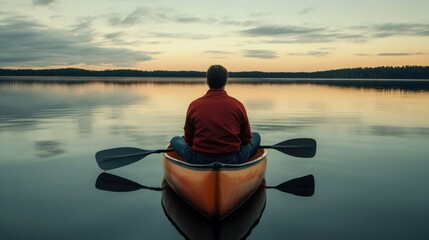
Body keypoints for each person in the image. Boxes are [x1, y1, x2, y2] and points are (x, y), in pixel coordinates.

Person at [170, 64, 260, 164]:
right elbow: (247, 139)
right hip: (232, 159)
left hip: (200, 159)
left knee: (175, 140)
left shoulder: (194, 105)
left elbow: (188, 140)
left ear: (207, 81)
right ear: (225, 81)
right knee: (256, 136)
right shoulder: (238, 105)